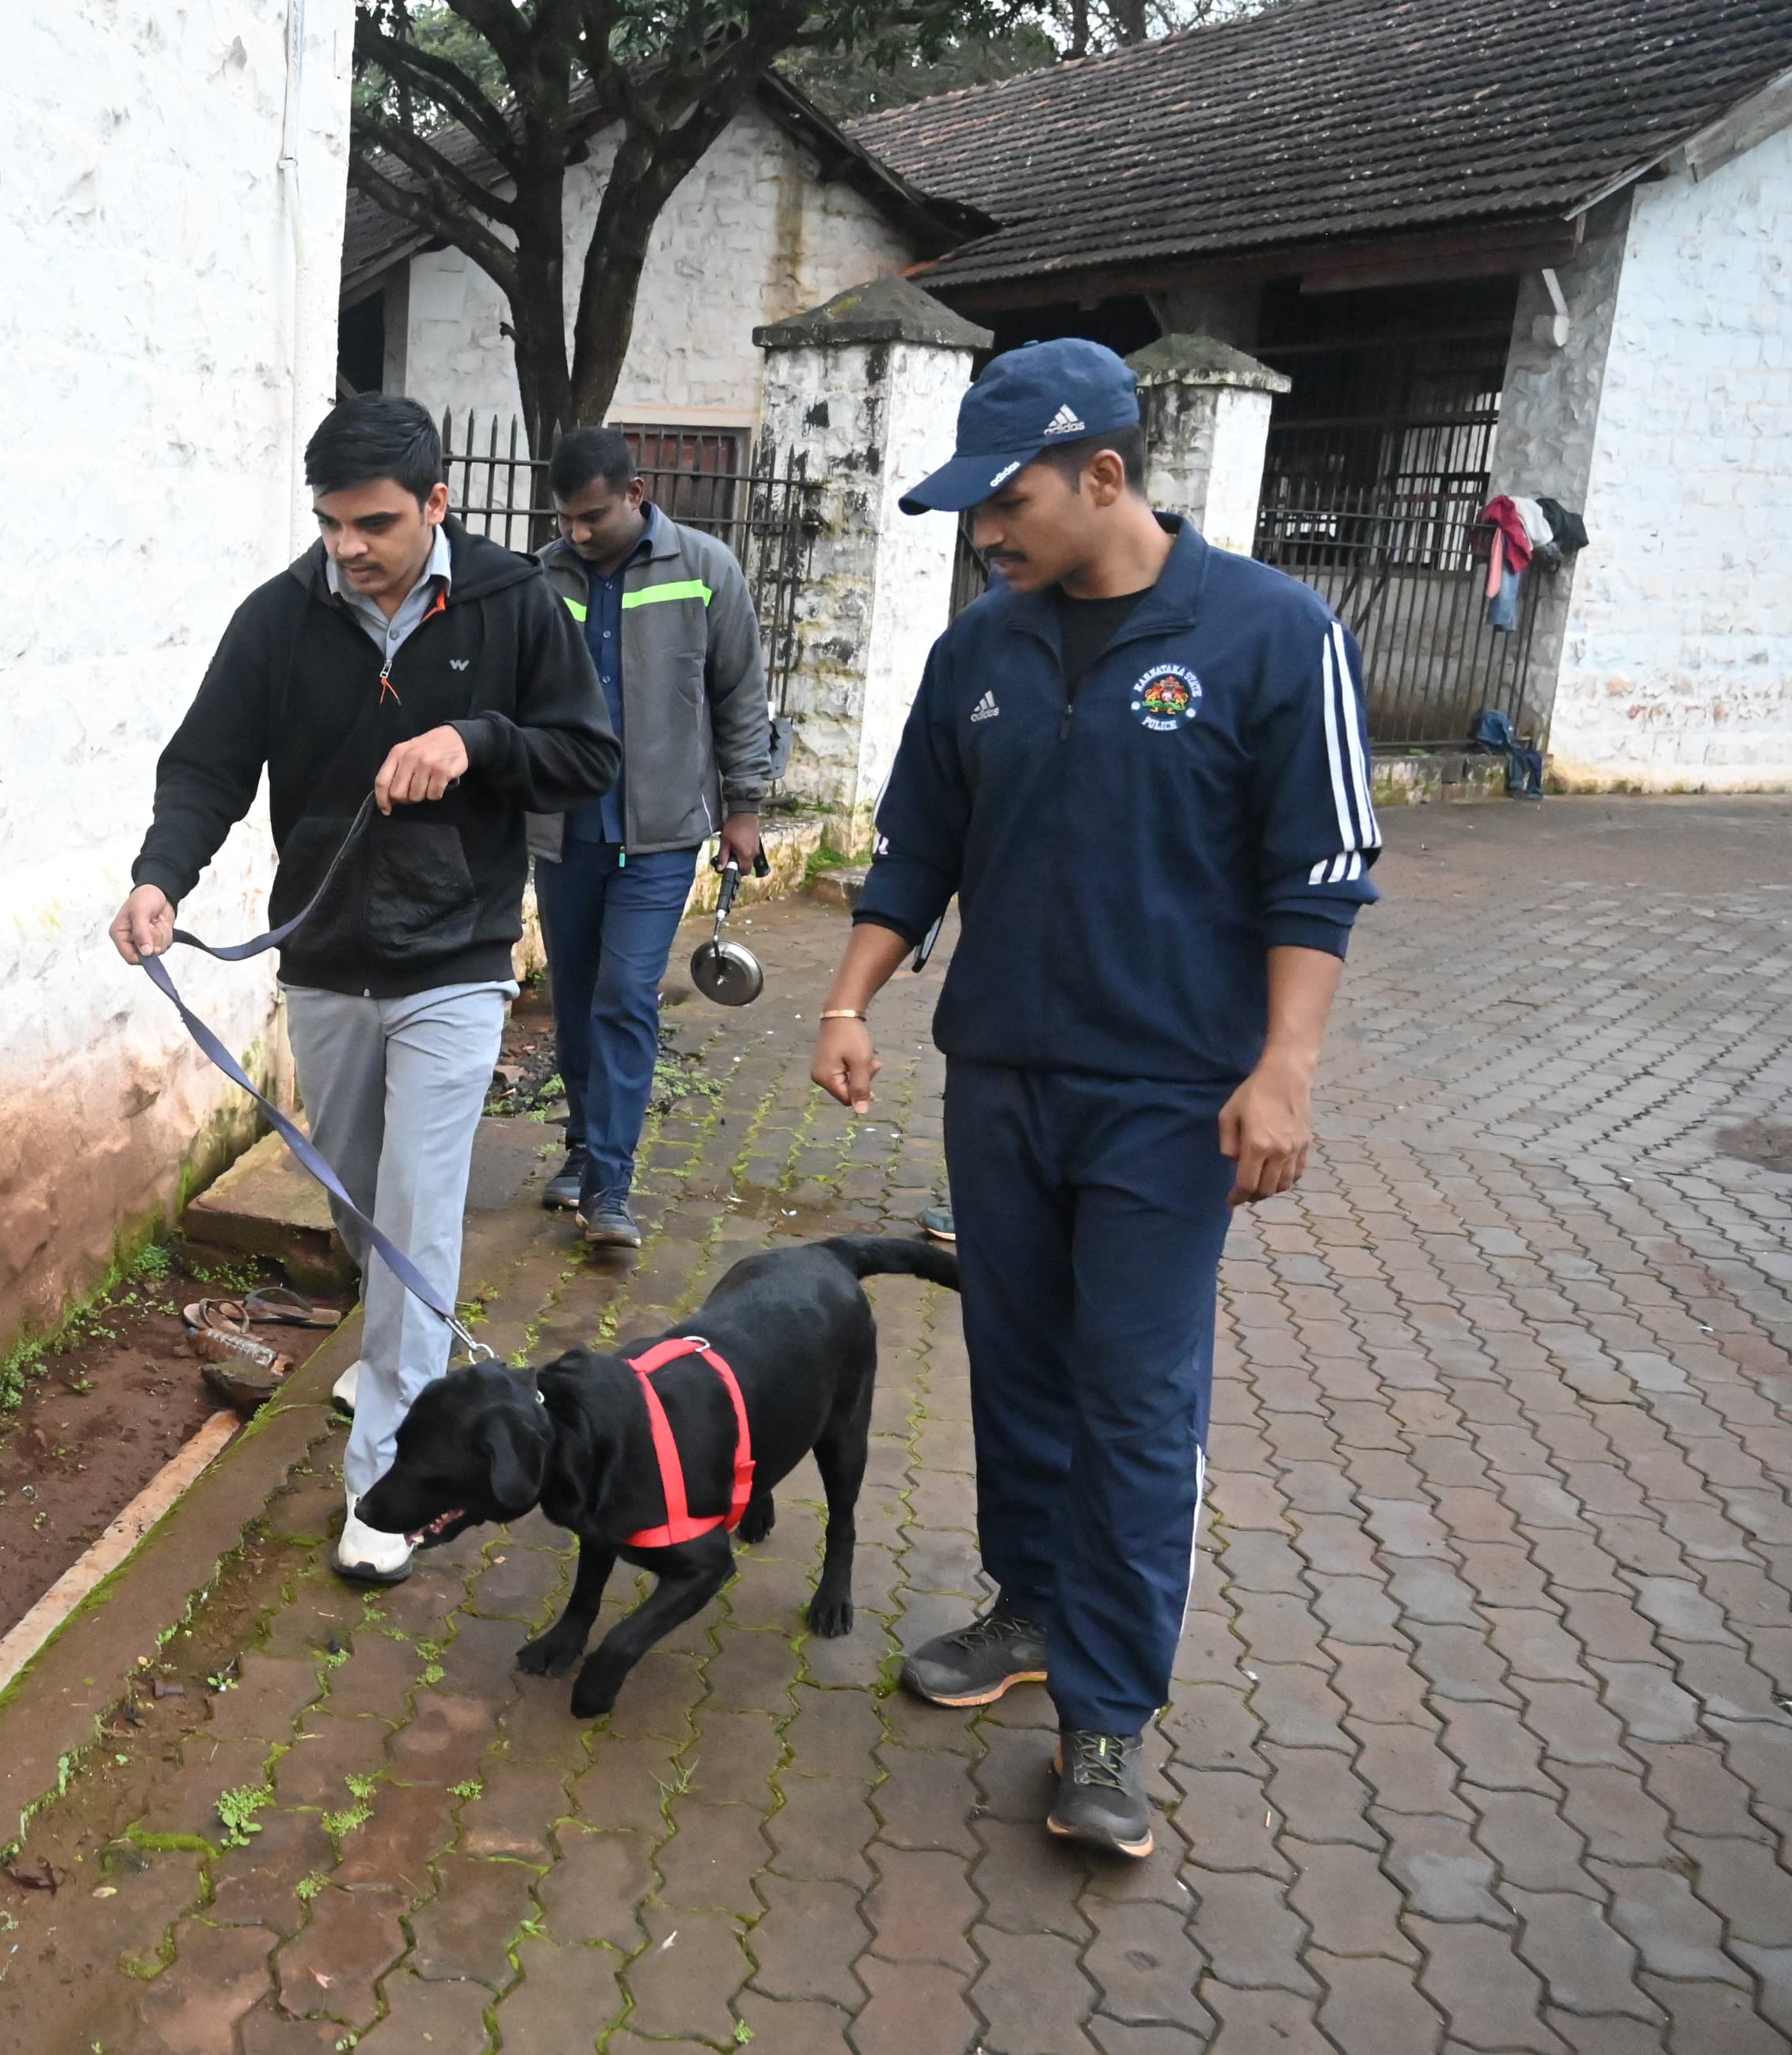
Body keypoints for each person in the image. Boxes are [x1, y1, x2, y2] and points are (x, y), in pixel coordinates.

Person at [808, 338, 1380, 1856]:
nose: (985, 537)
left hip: (1170, 1098)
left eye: (1007, 505)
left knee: (1135, 1396)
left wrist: (1286, 1069)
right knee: (1018, 1362)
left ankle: (1109, 1713)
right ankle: (1034, 1606)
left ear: (1106, 475)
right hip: (999, 1075)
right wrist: (850, 997)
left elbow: (1318, 877)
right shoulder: (979, 651)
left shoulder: (1271, 634)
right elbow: (915, 847)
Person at [113, 394, 617, 1585]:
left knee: (419, 1211)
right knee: (354, 1186)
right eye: (331, 522)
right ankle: (396, 1341)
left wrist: (479, 741)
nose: (348, 547)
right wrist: (158, 876)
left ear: (438, 504)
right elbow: (207, 764)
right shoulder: (280, 619)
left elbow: (589, 753)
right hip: (329, 955)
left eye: (375, 522)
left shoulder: (511, 602)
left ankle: (385, 1480)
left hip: (456, 955)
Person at [527, 428, 773, 1250]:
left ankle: (609, 1185)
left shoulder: (705, 570)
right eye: (565, 519)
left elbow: (739, 695)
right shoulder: (544, 575)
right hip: (564, 829)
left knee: (623, 997)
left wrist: (743, 807)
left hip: (660, 835)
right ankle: (579, 1143)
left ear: (635, 495)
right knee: (572, 998)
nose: (578, 533)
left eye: (592, 516)